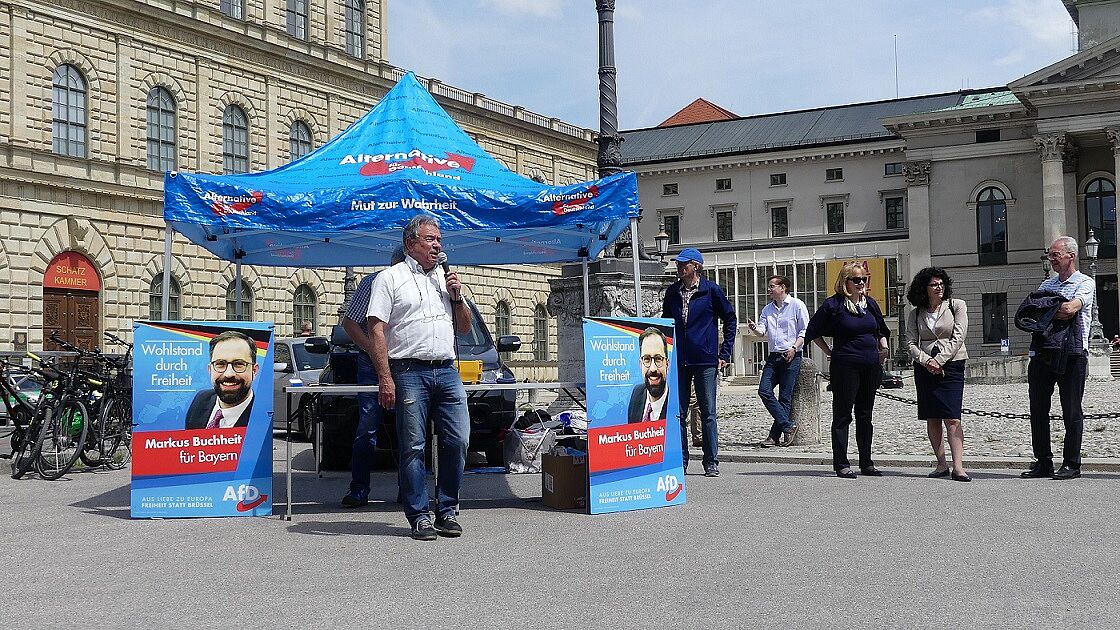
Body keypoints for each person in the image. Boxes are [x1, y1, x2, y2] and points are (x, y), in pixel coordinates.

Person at [368, 215, 473, 540]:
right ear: (411, 243)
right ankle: (419, 517)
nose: (437, 245)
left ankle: (447, 511)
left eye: (439, 239)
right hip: (408, 370)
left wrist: (457, 295)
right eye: (430, 239)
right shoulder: (390, 277)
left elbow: (465, 327)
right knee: (413, 446)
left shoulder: (445, 278)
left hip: (447, 369)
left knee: (458, 440)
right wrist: (385, 378)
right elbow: (375, 328)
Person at [804, 262, 891, 479]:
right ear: (846, 282)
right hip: (845, 365)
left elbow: (880, 329)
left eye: (864, 279)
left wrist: (884, 347)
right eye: (856, 279)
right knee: (843, 416)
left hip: (870, 366)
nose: (861, 283)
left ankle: (866, 462)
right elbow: (813, 331)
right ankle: (841, 463)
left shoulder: (870, 304)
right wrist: (829, 351)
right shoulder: (834, 305)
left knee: (865, 415)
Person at [1021, 236, 1095, 481]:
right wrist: (1054, 309)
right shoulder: (1046, 284)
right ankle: (1043, 462)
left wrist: (1049, 309)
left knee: (1071, 410)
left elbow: (1071, 309)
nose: (1050, 259)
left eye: (1055, 254)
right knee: (1038, 409)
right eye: (1050, 255)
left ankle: (1072, 463)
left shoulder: (1085, 282)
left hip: (1072, 354)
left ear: (1070, 256)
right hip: (1043, 352)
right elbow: (1032, 312)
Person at [339, 246, 406, 508]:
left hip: (406, 363)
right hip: (370, 363)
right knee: (367, 427)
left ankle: (409, 489)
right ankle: (359, 489)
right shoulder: (371, 283)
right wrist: (371, 348)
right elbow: (350, 323)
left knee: (410, 429)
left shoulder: (423, 283)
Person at [661, 248, 737, 477]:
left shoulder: (710, 290)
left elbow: (730, 319)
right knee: (679, 413)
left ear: (697, 266)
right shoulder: (672, 292)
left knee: (708, 412)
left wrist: (724, 353)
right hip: (679, 359)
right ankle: (681, 460)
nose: (680, 267)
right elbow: (666, 324)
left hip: (705, 359)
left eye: (684, 264)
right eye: (678, 264)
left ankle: (711, 461)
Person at [905, 267, 970, 482]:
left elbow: (958, 336)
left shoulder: (956, 305)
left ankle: (958, 466)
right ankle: (941, 464)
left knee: (952, 417)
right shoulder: (916, 313)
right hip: (925, 368)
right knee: (932, 416)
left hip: (952, 364)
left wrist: (940, 360)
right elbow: (911, 342)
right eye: (934, 284)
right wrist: (926, 361)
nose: (939, 287)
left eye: (941, 283)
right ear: (924, 288)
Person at [746, 275, 809, 448]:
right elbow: (762, 331)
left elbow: (804, 330)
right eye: (769, 286)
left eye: (772, 286)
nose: (769, 289)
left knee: (784, 397)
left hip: (791, 355)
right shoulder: (767, 309)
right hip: (773, 357)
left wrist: (794, 348)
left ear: (783, 287)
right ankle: (788, 426)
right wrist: (754, 329)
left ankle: (774, 436)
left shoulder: (797, 305)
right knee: (764, 390)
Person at [184, 330, 259, 430]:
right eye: (220, 364)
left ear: (254, 371)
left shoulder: (261, 417)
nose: (229, 374)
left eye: (239, 364)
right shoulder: (201, 400)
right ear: (210, 369)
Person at [628, 327, 671, 424]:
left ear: (667, 364)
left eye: (658, 359)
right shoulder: (637, 393)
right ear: (640, 364)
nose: (652, 368)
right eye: (647, 359)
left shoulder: (676, 404)